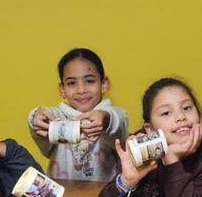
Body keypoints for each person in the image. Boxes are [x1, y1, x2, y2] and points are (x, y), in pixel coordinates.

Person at [96, 78, 202, 197]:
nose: (181, 117)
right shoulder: (141, 148)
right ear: (150, 129)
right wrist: (127, 181)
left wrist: (172, 158)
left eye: (186, 108)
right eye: (166, 113)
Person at [28, 48, 128, 181]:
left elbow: (118, 120)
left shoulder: (112, 115)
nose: (81, 90)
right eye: (71, 83)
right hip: (63, 196)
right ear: (62, 90)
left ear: (103, 84)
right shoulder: (58, 117)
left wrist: (106, 119)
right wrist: (35, 117)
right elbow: (45, 116)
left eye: (90, 81)